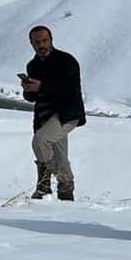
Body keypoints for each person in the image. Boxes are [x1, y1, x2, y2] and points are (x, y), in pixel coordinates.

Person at [19, 25, 87, 201]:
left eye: (44, 40)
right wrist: (28, 89)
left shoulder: (66, 61)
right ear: (31, 44)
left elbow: (71, 90)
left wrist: (41, 86)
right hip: (44, 115)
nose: (41, 45)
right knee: (59, 157)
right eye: (37, 42)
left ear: (51, 40)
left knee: (40, 142)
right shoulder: (33, 65)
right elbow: (33, 97)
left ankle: (47, 185)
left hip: (67, 113)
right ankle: (66, 197)